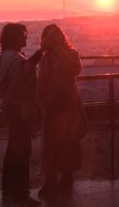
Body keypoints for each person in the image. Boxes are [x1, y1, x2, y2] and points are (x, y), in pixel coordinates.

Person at [37, 24, 88, 197]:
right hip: (53, 105)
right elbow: (42, 80)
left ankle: (66, 175)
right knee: (51, 144)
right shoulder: (45, 57)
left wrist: (58, 50)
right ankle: (51, 179)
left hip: (66, 104)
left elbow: (76, 68)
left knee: (67, 142)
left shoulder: (70, 54)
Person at [0, 23, 42, 207]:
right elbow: (25, 71)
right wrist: (41, 53)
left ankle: (8, 190)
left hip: (10, 108)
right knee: (22, 152)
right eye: (23, 35)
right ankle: (21, 193)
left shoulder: (4, 57)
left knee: (13, 150)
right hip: (19, 109)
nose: (26, 38)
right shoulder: (15, 59)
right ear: (14, 38)